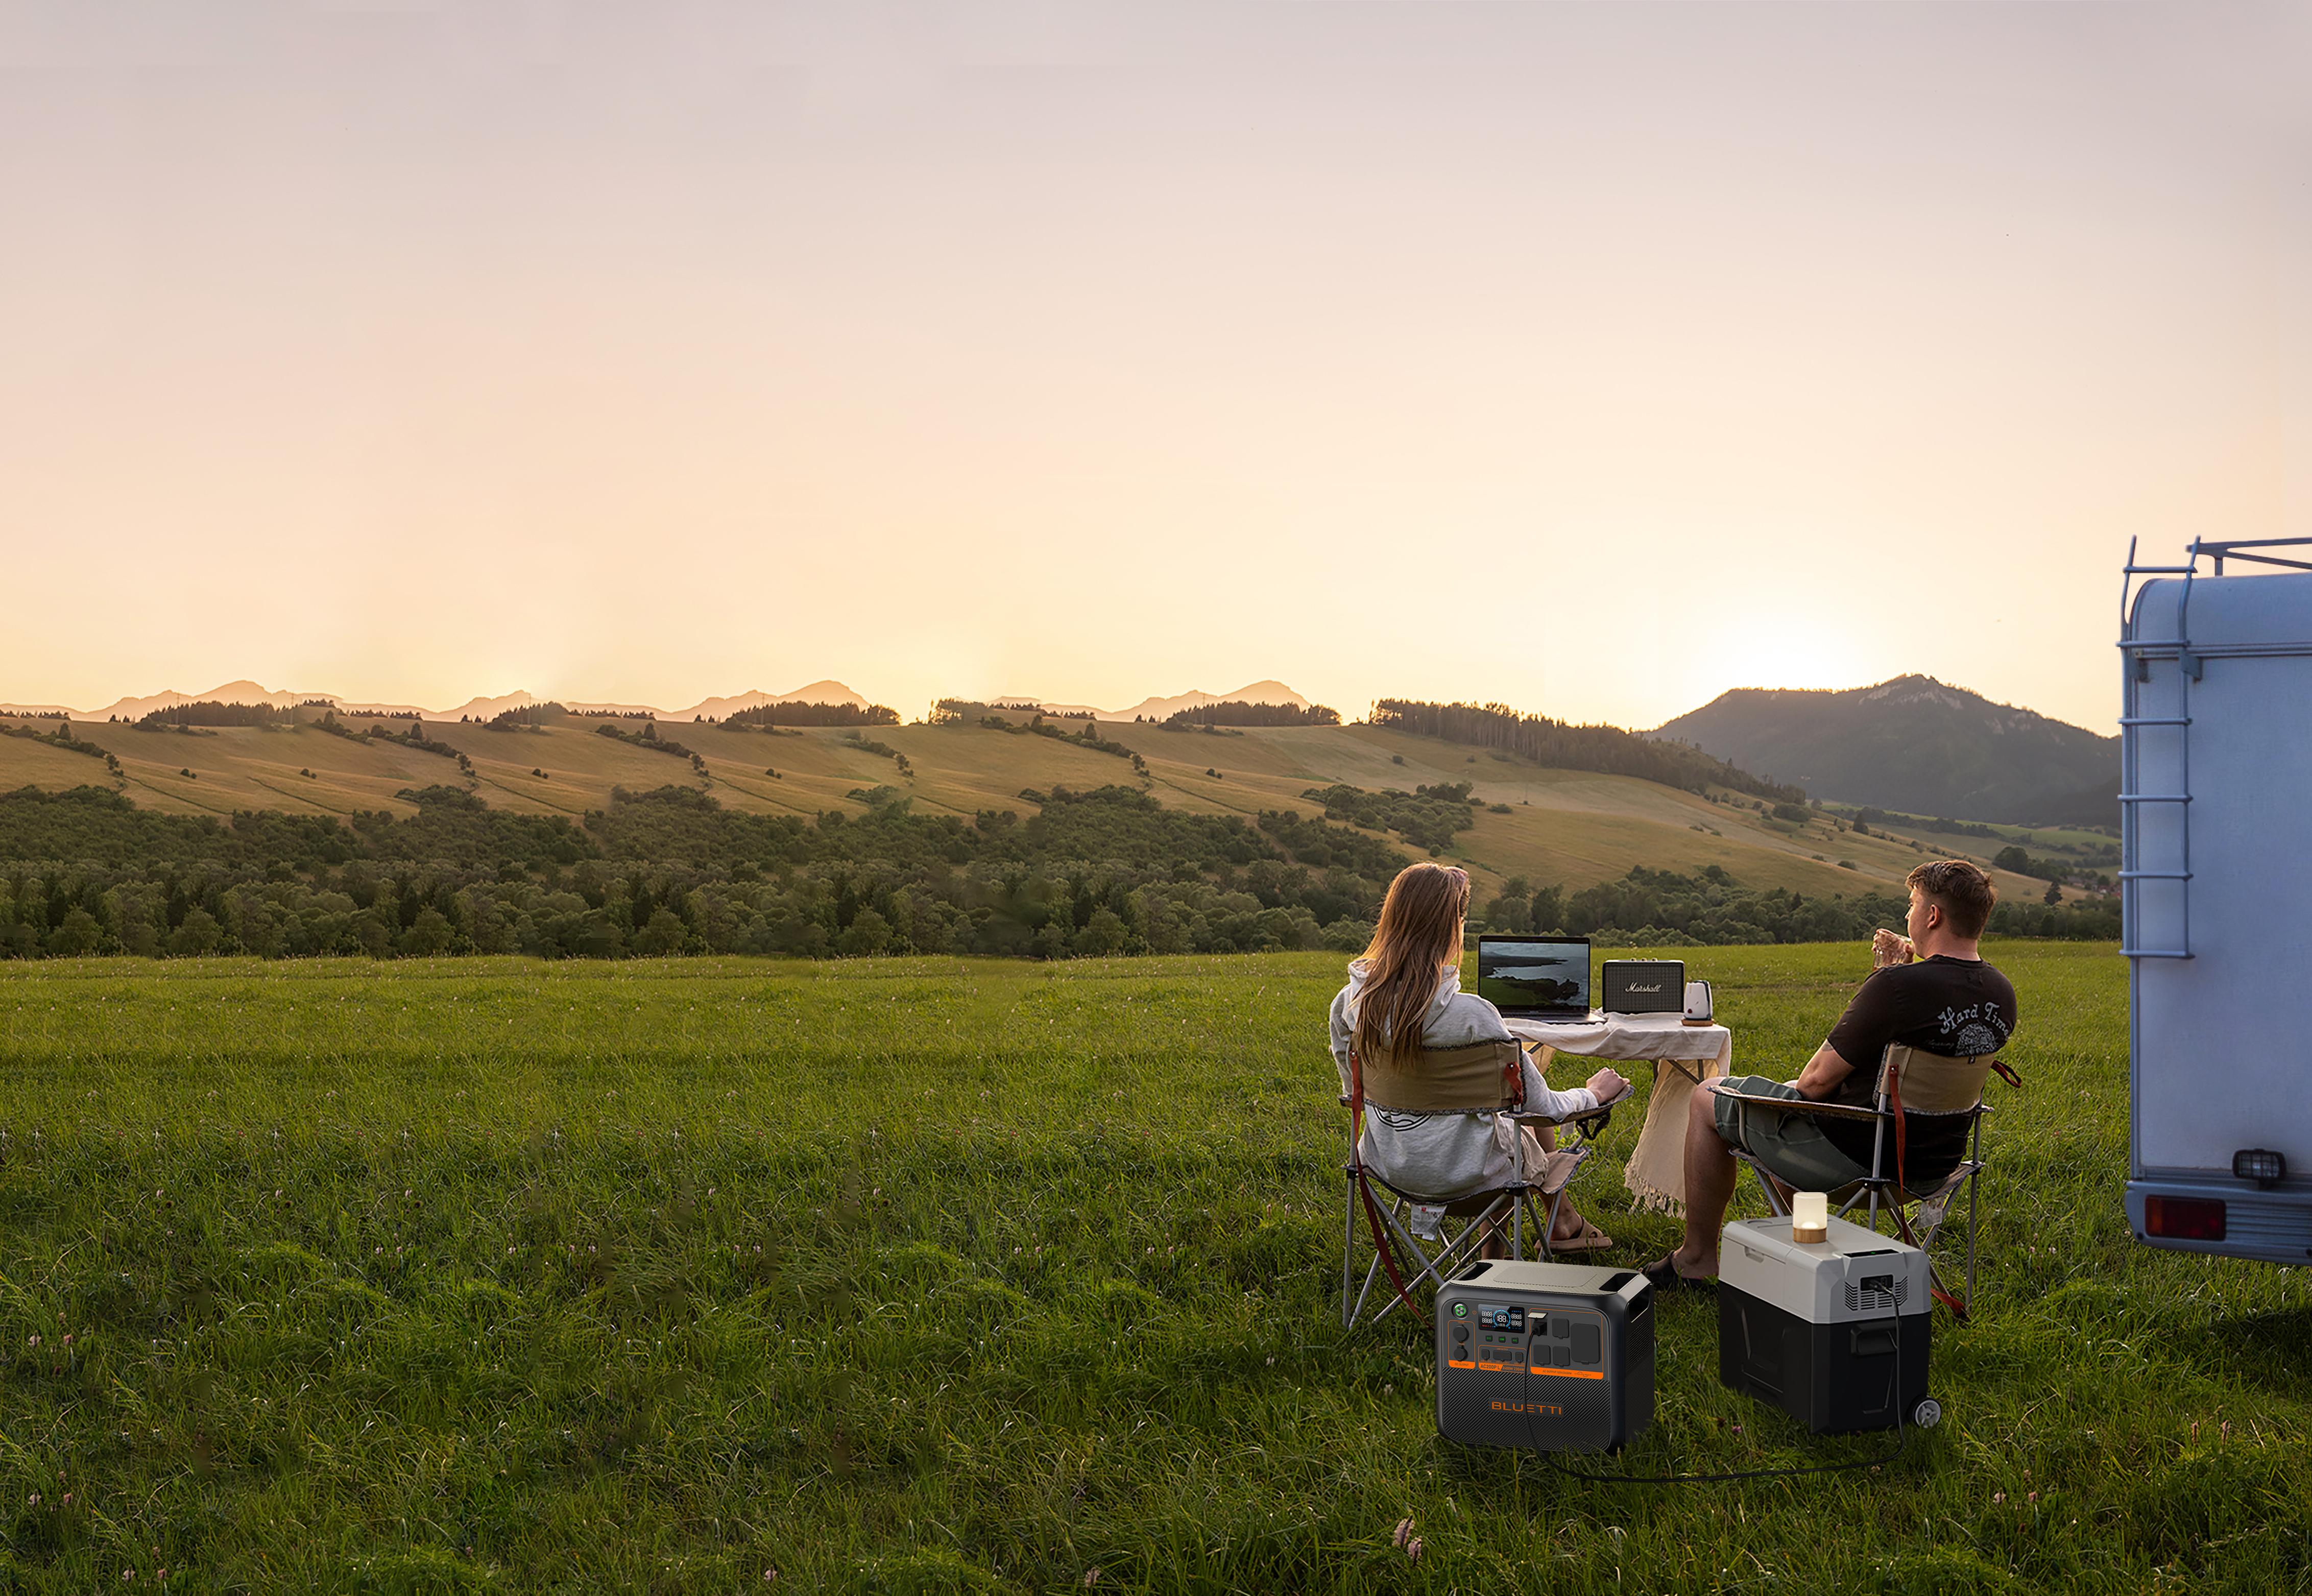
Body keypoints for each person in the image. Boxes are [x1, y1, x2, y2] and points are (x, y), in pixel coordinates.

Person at [1648, 858, 2018, 1290]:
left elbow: (1814, 1083)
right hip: (1934, 1166)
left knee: (1709, 1096)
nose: (1907, 915)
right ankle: (1796, 1255)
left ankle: (1696, 1258)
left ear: (1933, 916)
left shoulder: (1897, 989)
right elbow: (1932, 1014)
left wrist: (1888, 978)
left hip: (1860, 1159)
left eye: (1913, 904)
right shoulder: (2001, 992)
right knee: (1782, 1106)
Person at [1330, 861, 1629, 1255]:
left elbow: (1355, 1093)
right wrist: (1594, 1095)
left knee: (1498, 1121)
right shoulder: (1474, 1016)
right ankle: (1524, 1246)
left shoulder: (1348, 1006)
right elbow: (1544, 1108)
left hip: (1388, 1167)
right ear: (1453, 927)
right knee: (1508, 1131)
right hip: (1475, 1176)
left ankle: (1548, 1228)